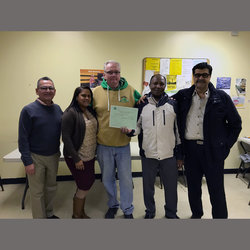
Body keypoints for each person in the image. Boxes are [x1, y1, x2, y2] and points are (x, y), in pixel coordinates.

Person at [173, 62, 242, 219]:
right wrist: (147, 97)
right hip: (190, 151)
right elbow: (165, 100)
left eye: (204, 75)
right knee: (193, 189)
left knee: (216, 190)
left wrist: (225, 146)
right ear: (193, 76)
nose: (200, 78)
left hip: (213, 152)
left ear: (210, 76)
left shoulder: (221, 98)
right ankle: (196, 215)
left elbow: (236, 125)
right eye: (197, 75)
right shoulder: (183, 96)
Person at [122, 74, 183, 219]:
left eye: (161, 84)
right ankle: (150, 211)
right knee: (148, 188)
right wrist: (129, 132)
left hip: (169, 154)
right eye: (155, 83)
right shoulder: (142, 104)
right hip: (148, 154)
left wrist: (180, 155)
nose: (158, 86)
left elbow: (178, 132)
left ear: (165, 85)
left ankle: (171, 212)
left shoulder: (173, 104)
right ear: (149, 85)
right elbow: (137, 127)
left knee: (171, 188)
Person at [92, 60, 141, 219]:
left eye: (116, 72)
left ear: (120, 73)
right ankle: (113, 205)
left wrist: (133, 129)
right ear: (104, 74)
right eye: (110, 72)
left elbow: (142, 108)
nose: (113, 75)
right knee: (107, 179)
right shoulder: (95, 92)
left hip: (123, 146)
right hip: (103, 146)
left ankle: (127, 209)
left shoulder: (131, 90)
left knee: (126, 181)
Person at [18, 76, 62, 219]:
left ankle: (49, 214)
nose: (48, 90)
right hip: (35, 157)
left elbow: (67, 129)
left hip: (54, 155)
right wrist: (27, 161)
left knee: (51, 188)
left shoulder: (57, 109)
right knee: (37, 192)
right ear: (37, 91)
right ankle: (39, 219)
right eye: (44, 88)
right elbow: (23, 138)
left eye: (50, 88)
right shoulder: (28, 110)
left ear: (55, 91)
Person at [62, 86, 97, 219]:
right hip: (77, 157)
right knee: (84, 185)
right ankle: (77, 214)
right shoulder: (70, 113)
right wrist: (76, 159)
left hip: (90, 155)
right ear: (76, 97)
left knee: (87, 182)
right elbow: (66, 137)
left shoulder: (89, 110)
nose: (86, 98)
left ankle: (81, 212)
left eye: (89, 96)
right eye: (83, 95)